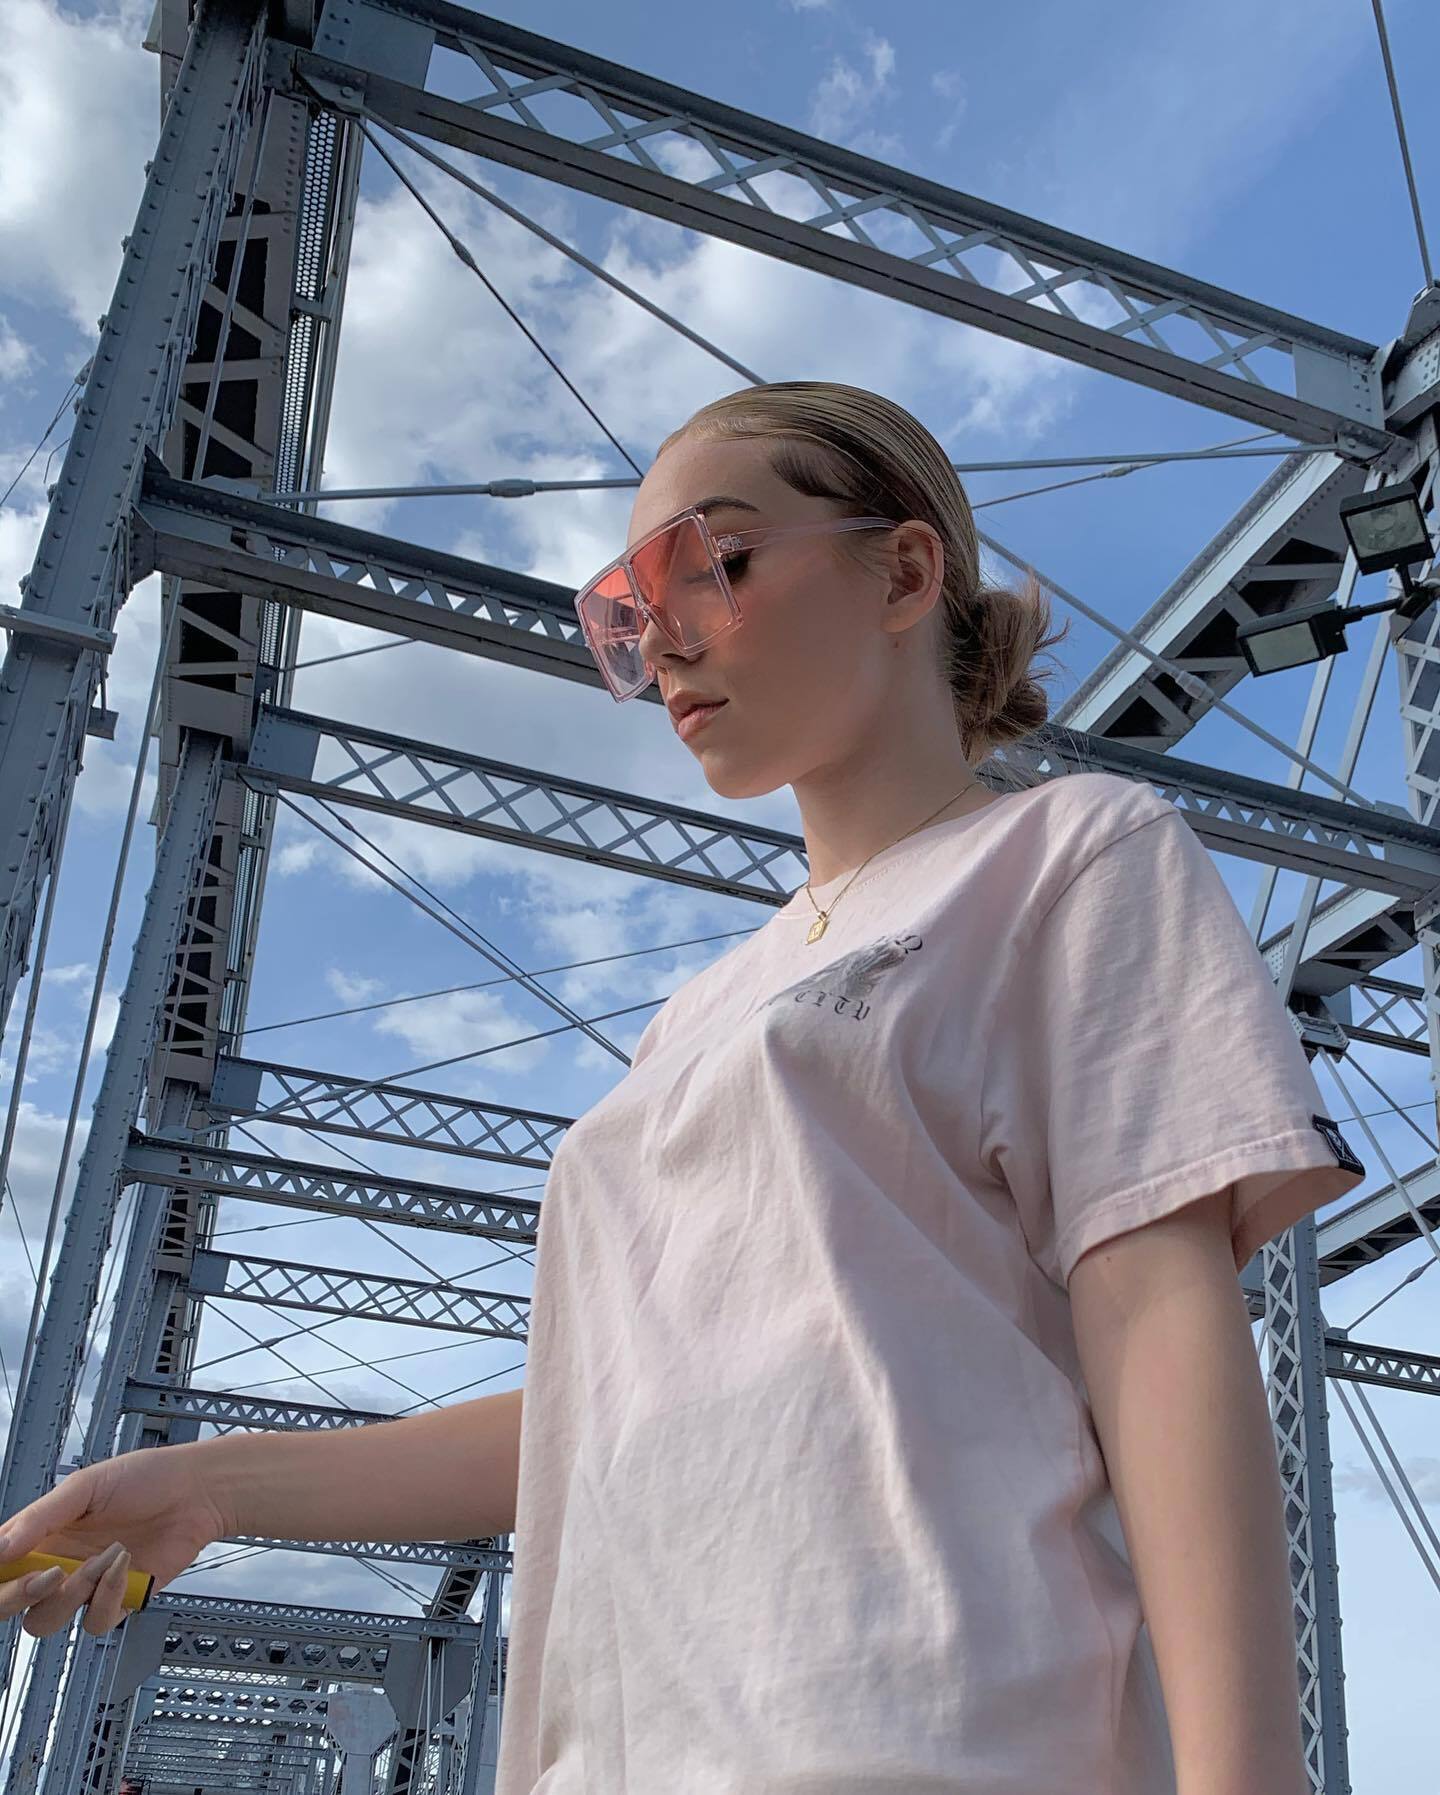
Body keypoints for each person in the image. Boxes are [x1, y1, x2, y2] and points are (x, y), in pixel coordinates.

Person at [0, 381, 1366, 1794]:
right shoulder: (694, 1020)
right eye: (626, 612)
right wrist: (214, 1482)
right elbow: (594, 1411)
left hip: (932, 1739)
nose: (659, 643)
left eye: (714, 563)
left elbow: (1158, 1320)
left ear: (904, 574)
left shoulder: (1070, 853)